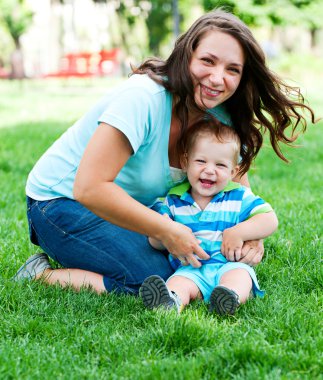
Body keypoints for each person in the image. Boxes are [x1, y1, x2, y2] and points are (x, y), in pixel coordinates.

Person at [14, 9, 314, 296]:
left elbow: (235, 193)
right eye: (207, 61)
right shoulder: (143, 98)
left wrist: (250, 234)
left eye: (232, 69)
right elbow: (89, 188)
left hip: (122, 207)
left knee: (186, 268)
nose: (217, 78)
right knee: (157, 279)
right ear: (187, 56)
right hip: (60, 204)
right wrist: (168, 230)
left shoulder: (222, 120)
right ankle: (40, 274)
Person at [139, 120, 278, 315]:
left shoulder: (238, 196)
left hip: (229, 264)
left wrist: (239, 232)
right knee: (178, 283)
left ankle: (229, 297)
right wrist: (164, 235)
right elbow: (156, 240)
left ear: (233, 172)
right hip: (191, 269)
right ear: (185, 162)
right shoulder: (174, 200)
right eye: (201, 161)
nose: (210, 170)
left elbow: (270, 219)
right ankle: (170, 301)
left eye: (220, 165)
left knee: (240, 277)